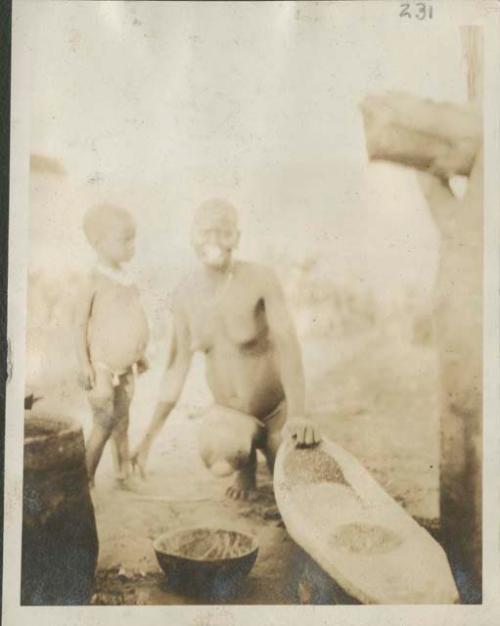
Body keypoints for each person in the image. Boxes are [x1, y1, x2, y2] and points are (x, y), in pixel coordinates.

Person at [131, 198, 319, 499]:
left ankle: (271, 449)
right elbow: (176, 370)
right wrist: (147, 440)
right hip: (230, 417)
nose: (214, 241)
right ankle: (245, 468)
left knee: (293, 480)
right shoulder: (184, 295)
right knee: (218, 453)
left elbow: (288, 345)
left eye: (224, 232)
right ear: (192, 237)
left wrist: (299, 414)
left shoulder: (261, 278)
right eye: (205, 232)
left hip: (276, 412)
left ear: (237, 238)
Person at [75, 204, 149, 489]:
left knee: (123, 421)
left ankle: (123, 473)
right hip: (103, 366)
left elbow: (133, 317)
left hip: (126, 365)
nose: (132, 246)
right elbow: (79, 325)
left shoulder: (128, 278)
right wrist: (84, 363)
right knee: (104, 421)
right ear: (98, 243)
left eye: (134, 239)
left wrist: (139, 353)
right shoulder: (93, 280)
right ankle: (84, 478)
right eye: (124, 240)